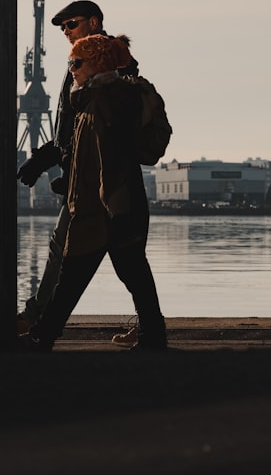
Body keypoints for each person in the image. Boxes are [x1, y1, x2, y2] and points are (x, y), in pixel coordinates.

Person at [21, 34, 167, 351]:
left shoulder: (104, 102)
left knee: (74, 277)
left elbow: (109, 160)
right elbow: (85, 153)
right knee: (128, 273)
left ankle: (42, 337)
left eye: (76, 62)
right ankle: (153, 335)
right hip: (111, 206)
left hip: (103, 210)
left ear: (96, 63)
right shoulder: (98, 100)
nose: (71, 69)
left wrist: (113, 209)